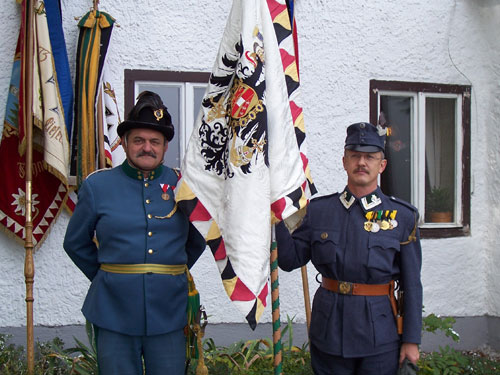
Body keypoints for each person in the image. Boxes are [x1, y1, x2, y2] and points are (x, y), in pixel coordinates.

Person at [64, 91, 206, 374]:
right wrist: (109, 276)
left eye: (155, 142)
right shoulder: (98, 187)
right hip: (112, 310)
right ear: (126, 143)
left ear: (165, 147)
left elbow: (198, 240)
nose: (147, 148)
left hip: (169, 309)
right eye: (138, 140)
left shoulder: (184, 187)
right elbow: (75, 243)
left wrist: (169, 271)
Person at [275, 122, 422, 375]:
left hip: (380, 336)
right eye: (355, 156)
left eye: (369, 157)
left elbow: (411, 284)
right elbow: (289, 260)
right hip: (329, 330)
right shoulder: (317, 211)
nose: (361, 163)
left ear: (382, 165)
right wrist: (276, 216)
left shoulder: (402, 217)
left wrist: (410, 340)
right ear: (344, 162)